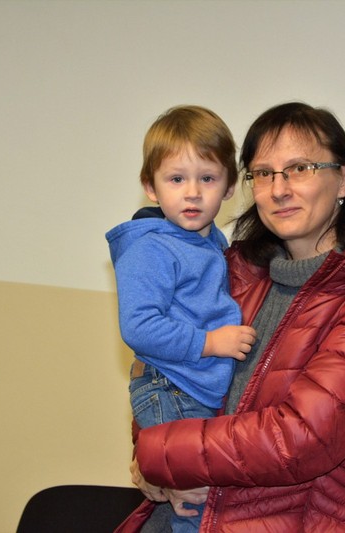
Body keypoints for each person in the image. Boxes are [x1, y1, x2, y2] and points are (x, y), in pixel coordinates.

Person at [117, 102, 345, 532]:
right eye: (263, 173)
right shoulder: (234, 272)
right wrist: (150, 460)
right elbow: (165, 373)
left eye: (300, 168)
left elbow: (299, 439)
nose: (279, 189)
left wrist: (159, 453)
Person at [106, 105, 257, 533]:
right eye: (176, 179)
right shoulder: (151, 248)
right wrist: (211, 343)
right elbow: (138, 327)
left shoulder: (211, 242)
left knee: (192, 506)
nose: (192, 193)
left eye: (207, 179)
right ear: (150, 186)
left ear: (229, 187)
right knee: (194, 507)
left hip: (192, 390)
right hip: (170, 390)